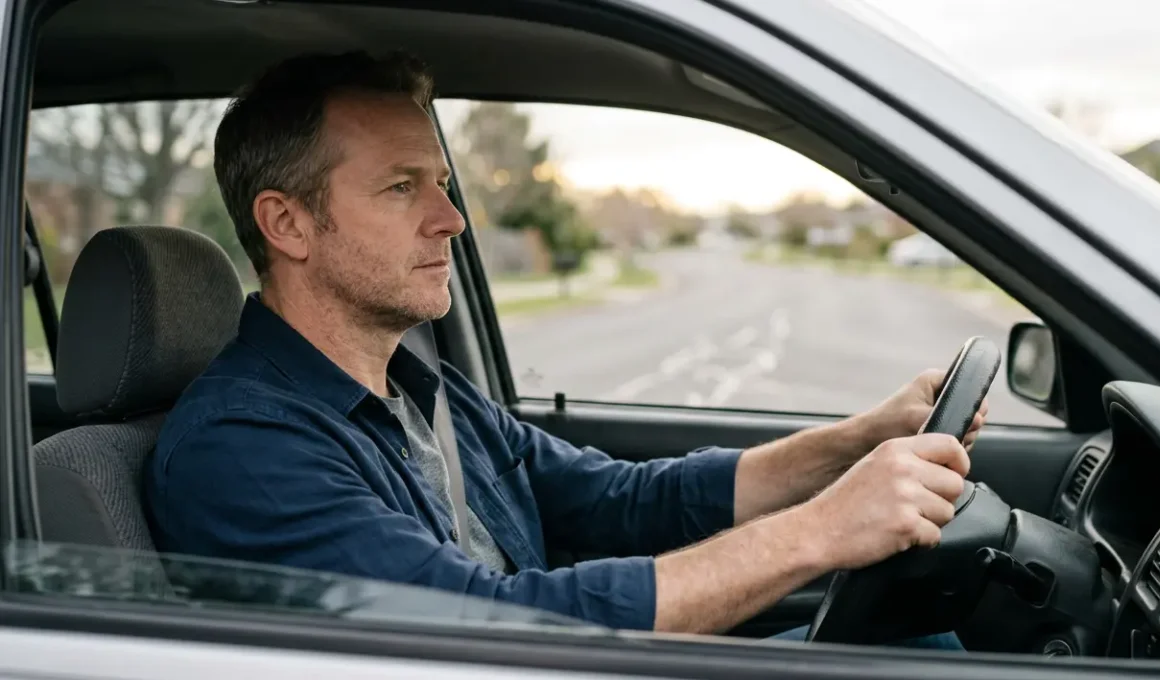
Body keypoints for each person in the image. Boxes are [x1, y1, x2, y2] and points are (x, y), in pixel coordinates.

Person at [143, 51, 987, 647]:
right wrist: (820, 532)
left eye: (441, 184)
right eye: (403, 189)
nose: (452, 220)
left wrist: (856, 443)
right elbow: (485, 627)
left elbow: (616, 499)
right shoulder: (241, 448)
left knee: (913, 634)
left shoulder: (421, 388)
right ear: (286, 223)